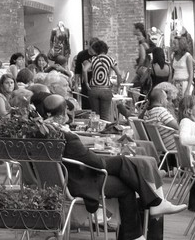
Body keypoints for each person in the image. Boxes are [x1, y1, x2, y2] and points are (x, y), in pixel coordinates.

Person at [41, 94, 186, 240]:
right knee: (126, 180)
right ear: (64, 111)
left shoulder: (44, 130)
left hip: (62, 180)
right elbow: (95, 162)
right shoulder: (65, 135)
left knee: (123, 165)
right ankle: (148, 214)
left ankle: (143, 222)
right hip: (78, 182)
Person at [84, 39, 119, 120]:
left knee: (95, 115)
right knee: (105, 116)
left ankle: (96, 130)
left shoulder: (92, 59)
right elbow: (119, 73)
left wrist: (86, 83)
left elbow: (84, 69)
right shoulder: (111, 59)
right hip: (106, 89)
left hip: (93, 89)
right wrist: (118, 85)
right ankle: (105, 130)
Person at [144, 88, 179, 154]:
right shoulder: (160, 111)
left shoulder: (147, 113)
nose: (167, 101)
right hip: (172, 145)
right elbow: (178, 126)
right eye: (166, 99)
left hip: (160, 144)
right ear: (161, 100)